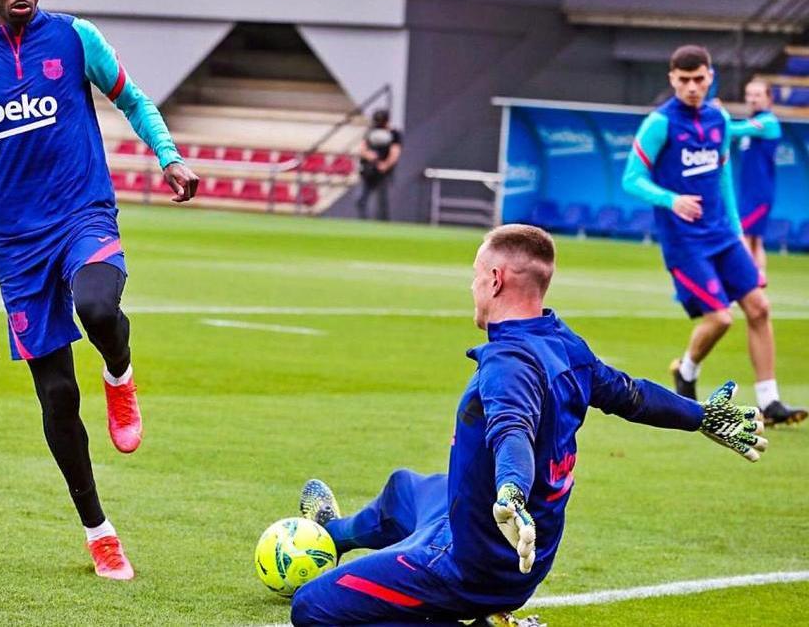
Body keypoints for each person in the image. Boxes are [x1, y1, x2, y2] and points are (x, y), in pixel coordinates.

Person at [288, 224, 768, 627]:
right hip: (511, 549)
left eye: (476, 276)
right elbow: (633, 396)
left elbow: (511, 430)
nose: (473, 286)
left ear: (495, 280)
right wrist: (701, 415)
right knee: (406, 491)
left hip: (468, 565)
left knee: (313, 609)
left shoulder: (507, 363)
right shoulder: (563, 342)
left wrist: (512, 490)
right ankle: (331, 534)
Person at [0, 0, 199, 581]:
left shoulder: (74, 37)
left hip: (82, 212)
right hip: (15, 242)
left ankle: (120, 373)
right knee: (58, 395)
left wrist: (168, 157)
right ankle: (99, 531)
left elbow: (135, 101)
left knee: (97, 307)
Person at [621, 45, 804, 426]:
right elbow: (632, 179)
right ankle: (686, 371)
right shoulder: (660, 123)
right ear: (672, 78)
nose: (692, 86)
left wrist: (738, 234)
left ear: (710, 77)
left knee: (760, 308)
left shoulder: (719, 119)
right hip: (685, 243)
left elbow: (722, 179)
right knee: (721, 319)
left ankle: (770, 402)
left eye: (698, 79)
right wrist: (671, 199)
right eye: (684, 79)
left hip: (723, 234)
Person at [730, 79, 782, 286]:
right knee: (753, 240)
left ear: (769, 98)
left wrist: (715, 117)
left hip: (760, 194)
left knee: (741, 236)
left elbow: (735, 129)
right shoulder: (754, 123)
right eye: (749, 94)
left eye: (757, 95)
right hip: (748, 192)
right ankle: (756, 282)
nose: (752, 99)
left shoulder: (767, 122)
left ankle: (747, 282)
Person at [356, 109, 401, 221]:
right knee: (361, 198)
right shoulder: (370, 131)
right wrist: (368, 155)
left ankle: (383, 223)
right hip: (368, 169)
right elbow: (362, 148)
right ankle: (363, 222)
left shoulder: (394, 133)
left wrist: (385, 165)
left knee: (382, 201)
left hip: (383, 172)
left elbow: (395, 152)